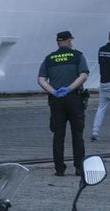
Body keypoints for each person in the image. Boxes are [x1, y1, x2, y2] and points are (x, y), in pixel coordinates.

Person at [37, 30, 90, 176]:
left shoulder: (49, 59)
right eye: (70, 40)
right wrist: (70, 88)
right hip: (74, 99)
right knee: (77, 135)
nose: (71, 43)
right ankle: (79, 167)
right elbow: (84, 75)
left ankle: (59, 169)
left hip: (56, 101)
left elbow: (41, 79)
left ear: (58, 42)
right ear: (67, 41)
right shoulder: (77, 56)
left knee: (58, 135)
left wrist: (54, 91)